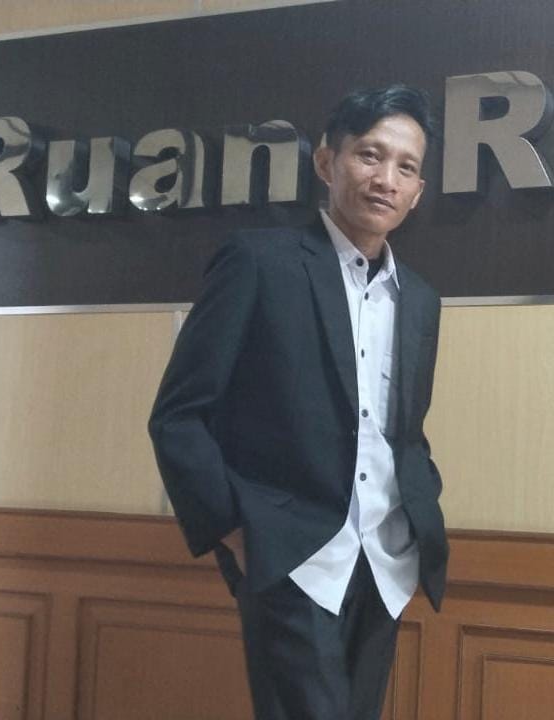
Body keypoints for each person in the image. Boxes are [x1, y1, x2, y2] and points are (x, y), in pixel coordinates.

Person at [148, 84, 448, 720]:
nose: (386, 179)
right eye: (370, 155)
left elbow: (404, 430)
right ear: (327, 161)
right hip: (290, 555)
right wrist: (236, 530)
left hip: (386, 560)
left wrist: (422, 503)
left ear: (418, 191)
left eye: (406, 167)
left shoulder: (420, 299)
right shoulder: (259, 262)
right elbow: (179, 415)